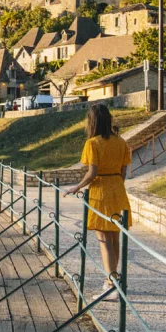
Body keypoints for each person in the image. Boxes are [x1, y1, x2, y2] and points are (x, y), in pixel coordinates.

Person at [64, 104, 132, 293]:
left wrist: (76, 187)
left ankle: (111, 283)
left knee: (104, 240)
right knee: (115, 237)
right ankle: (114, 277)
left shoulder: (92, 143)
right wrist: (116, 185)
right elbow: (123, 171)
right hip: (117, 189)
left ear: (92, 122)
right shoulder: (121, 142)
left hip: (100, 192)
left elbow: (92, 173)